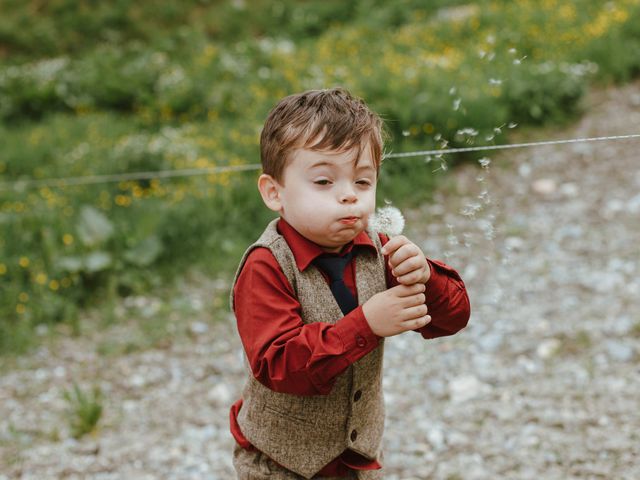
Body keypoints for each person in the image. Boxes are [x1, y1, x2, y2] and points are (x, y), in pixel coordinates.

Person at [229, 87, 470, 479]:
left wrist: (426, 276)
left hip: (356, 460)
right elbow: (278, 364)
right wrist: (366, 324)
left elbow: (451, 319)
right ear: (275, 192)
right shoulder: (266, 265)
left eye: (362, 182)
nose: (348, 197)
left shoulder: (380, 248)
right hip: (279, 464)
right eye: (324, 182)